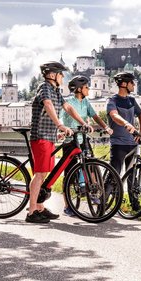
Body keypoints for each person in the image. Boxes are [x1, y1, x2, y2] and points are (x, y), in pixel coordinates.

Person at [27, 61, 92, 224]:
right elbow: (47, 104)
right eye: (61, 74)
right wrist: (60, 125)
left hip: (49, 136)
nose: (63, 77)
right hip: (40, 135)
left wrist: (83, 123)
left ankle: (40, 207)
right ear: (52, 75)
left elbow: (68, 108)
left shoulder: (55, 91)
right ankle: (31, 211)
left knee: (44, 173)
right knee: (40, 174)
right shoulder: (45, 87)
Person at [60, 75, 113, 216]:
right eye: (86, 87)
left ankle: (94, 193)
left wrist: (106, 127)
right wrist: (62, 130)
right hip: (70, 141)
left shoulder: (86, 102)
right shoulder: (68, 102)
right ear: (79, 89)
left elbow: (95, 116)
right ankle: (67, 206)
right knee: (69, 173)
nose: (89, 89)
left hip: (83, 139)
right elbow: (60, 117)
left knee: (91, 165)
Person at [107, 72, 141, 175]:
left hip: (132, 144)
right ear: (124, 84)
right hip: (118, 144)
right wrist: (126, 123)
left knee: (132, 179)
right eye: (131, 82)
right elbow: (114, 115)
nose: (134, 85)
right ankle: (106, 191)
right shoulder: (112, 100)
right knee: (113, 177)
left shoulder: (132, 100)